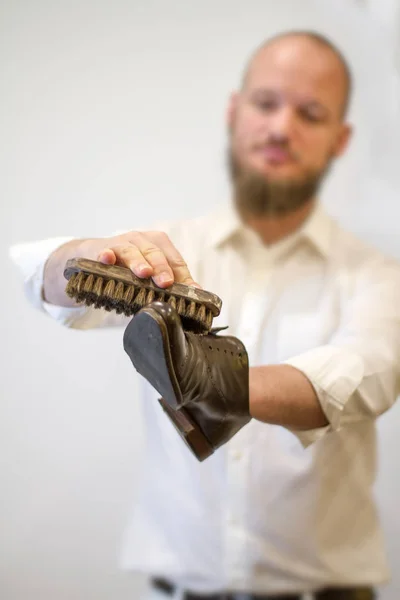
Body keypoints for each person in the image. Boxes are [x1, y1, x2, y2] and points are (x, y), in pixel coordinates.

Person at [11, 29, 400, 600]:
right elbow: (39, 280)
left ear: (340, 140)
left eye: (310, 113)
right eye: (266, 103)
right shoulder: (170, 250)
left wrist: (224, 383)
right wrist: (82, 257)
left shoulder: (377, 275)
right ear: (234, 111)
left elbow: (371, 369)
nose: (280, 127)